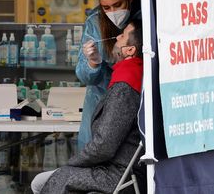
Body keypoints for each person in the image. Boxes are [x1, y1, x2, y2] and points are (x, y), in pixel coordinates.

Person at [31, 19, 145, 194]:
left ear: (129, 49)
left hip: (117, 175)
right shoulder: (131, 74)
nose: (117, 38)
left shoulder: (125, 85)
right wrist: (93, 61)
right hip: (118, 170)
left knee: (44, 182)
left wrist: (71, 164)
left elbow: (103, 145)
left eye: (122, 36)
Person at [76, 0, 141, 149]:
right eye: (106, 7)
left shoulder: (147, 14)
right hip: (102, 105)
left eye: (117, 5)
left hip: (136, 103)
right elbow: (83, 75)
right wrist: (92, 63)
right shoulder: (95, 22)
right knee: (95, 154)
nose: (112, 12)